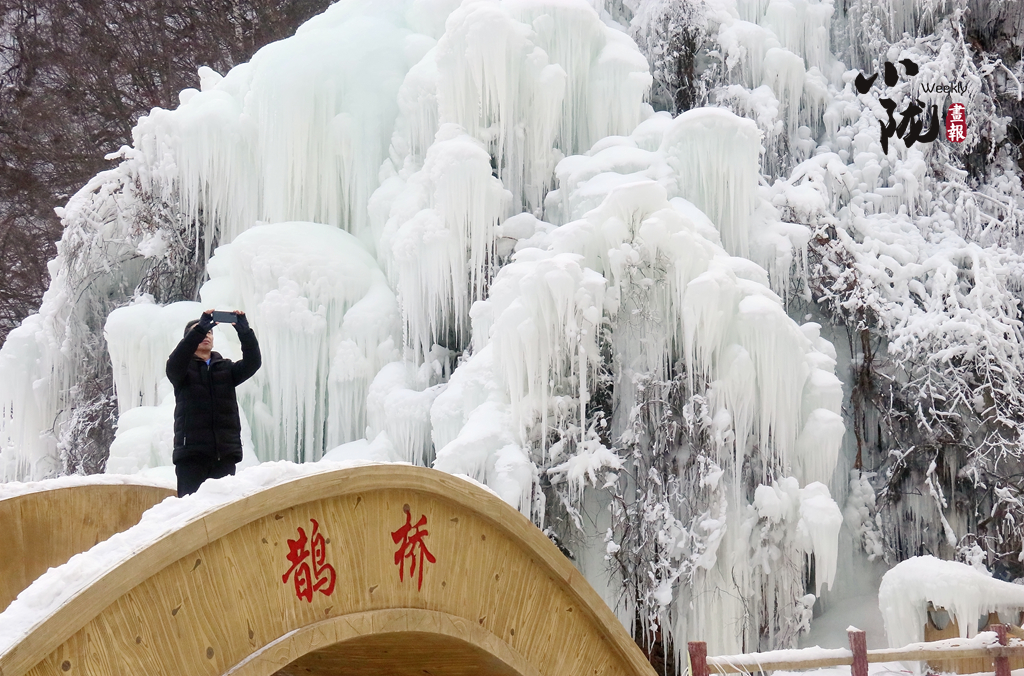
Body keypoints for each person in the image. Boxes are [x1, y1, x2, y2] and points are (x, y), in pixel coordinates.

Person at [166, 309, 261, 497]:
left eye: (209, 332)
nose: (206, 335)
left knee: (224, 510)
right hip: (191, 456)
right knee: (191, 510)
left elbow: (253, 363)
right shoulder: (181, 371)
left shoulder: (226, 368)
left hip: (224, 455)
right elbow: (176, 362)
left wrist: (245, 332)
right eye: (202, 332)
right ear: (190, 338)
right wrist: (199, 329)